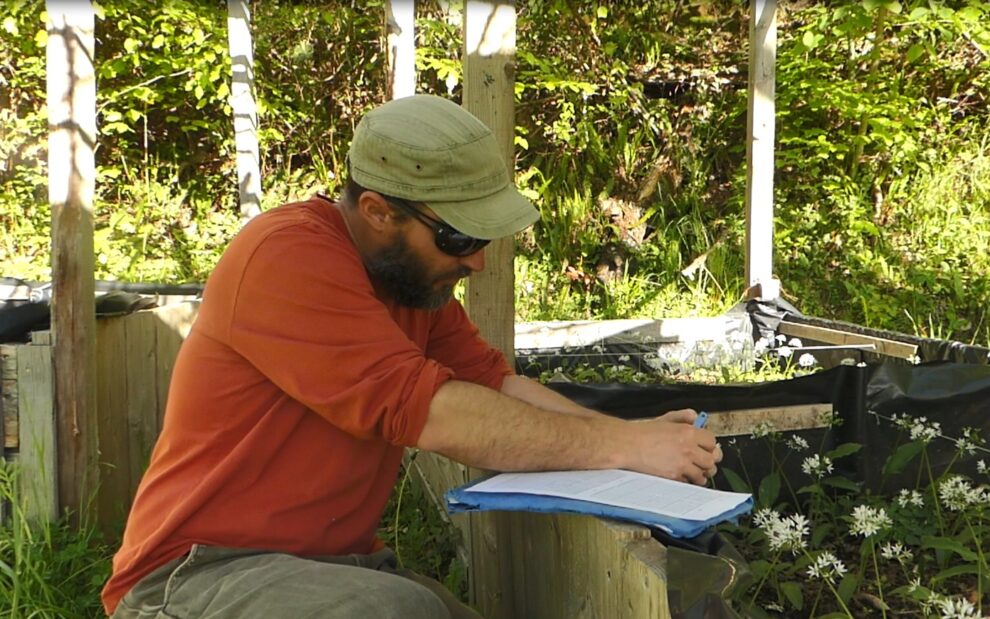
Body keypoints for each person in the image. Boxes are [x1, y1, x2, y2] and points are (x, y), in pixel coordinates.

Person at [102, 94, 722, 619]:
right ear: (378, 211)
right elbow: (438, 414)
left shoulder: (408, 283)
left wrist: (629, 436)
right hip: (191, 576)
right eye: (458, 237)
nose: (475, 261)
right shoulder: (285, 257)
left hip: (326, 566)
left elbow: (494, 385)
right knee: (398, 613)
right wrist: (625, 449)